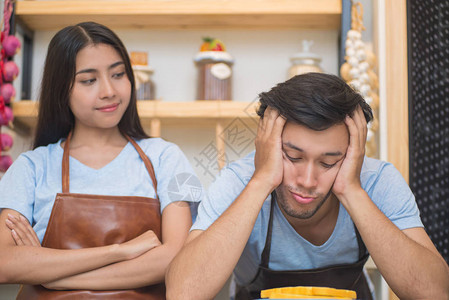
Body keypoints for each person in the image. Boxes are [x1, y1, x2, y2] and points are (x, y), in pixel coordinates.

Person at [166, 73, 449, 300]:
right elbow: (184, 293)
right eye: (293, 157)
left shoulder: (377, 180)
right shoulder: (238, 181)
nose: (307, 181)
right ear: (266, 144)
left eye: (329, 162)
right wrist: (262, 180)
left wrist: (352, 190)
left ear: (353, 153)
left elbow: (435, 293)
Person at [0, 22, 202, 298]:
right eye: (88, 80)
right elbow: (5, 264)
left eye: (118, 74)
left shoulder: (169, 158)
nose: (109, 90)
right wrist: (119, 251)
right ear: (62, 89)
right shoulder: (30, 167)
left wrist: (54, 275)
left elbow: (177, 256)